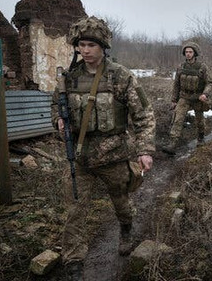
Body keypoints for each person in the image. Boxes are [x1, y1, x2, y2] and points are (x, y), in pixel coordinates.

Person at [53, 16, 155, 279]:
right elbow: (56, 107)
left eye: (91, 45)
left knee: (121, 201)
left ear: (103, 47)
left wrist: (144, 150)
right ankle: (73, 260)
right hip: (80, 157)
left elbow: (144, 116)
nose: (85, 50)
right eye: (81, 45)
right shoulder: (69, 79)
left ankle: (126, 229)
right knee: (75, 209)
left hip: (114, 155)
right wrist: (59, 121)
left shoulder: (121, 77)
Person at [163, 38, 212, 155]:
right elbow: (176, 84)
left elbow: (209, 83)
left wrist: (205, 94)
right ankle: (173, 143)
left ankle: (200, 137)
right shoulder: (181, 67)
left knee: (199, 120)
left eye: (190, 52)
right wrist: (174, 100)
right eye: (186, 52)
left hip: (197, 98)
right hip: (184, 97)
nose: (188, 54)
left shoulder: (202, 67)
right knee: (177, 119)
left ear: (194, 53)